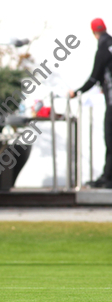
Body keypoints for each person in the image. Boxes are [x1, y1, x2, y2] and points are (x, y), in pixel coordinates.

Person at [69, 18, 112, 188]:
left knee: (109, 138)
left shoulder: (103, 49)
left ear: (93, 32)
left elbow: (94, 77)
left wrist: (76, 92)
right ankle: (108, 175)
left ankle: (108, 178)